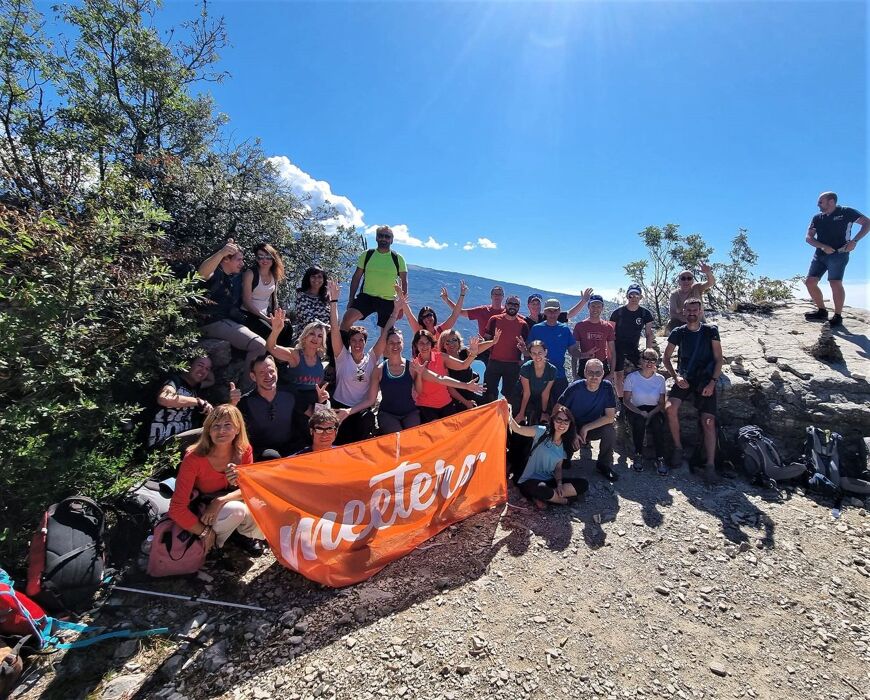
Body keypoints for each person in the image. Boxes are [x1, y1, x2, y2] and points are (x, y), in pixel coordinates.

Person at [167, 404, 265, 558]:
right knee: (235, 510)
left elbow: (250, 489)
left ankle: (245, 535)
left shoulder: (244, 450)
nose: (221, 431)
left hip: (222, 504)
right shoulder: (194, 458)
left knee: (263, 501)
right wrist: (204, 531)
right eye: (216, 426)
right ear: (208, 430)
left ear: (238, 429)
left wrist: (220, 500)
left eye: (228, 425)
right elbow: (176, 508)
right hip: (203, 511)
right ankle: (211, 545)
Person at [343, 328, 485, 434]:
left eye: (398, 342)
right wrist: (348, 411)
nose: (395, 346)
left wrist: (466, 385)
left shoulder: (413, 367)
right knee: (400, 437)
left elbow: (439, 379)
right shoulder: (379, 370)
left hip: (411, 412)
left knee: (417, 435)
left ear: (403, 344)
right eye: (391, 343)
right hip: (390, 414)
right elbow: (370, 400)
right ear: (386, 345)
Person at [327, 279, 396, 444]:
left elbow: (385, 332)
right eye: (354, 341)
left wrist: (397, 309)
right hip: (339, 405)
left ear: (365, 343)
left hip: (359, 409)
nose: (357, 344)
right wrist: (334, 302)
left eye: (361, 341)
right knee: (338, 442)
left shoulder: (372, 358)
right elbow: (335, 329)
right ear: (349, 343)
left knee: (362, 433)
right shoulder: (342, 357)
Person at [662, 298, 723, 482]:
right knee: (670, 408)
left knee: (709, 421)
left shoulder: (710, 331)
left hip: (705, 379)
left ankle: (710, 465)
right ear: (683, 312)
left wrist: (712, 382)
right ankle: (678, 448)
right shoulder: (678, 332)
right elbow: (666, 358)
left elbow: (719, 358)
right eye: (688, 310)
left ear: (700, 311)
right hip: (685, 377)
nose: (691, 313)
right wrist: (676, 377)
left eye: (695, 310)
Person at [197, 239, 267, 381]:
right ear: (225, 260)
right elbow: (202, 274)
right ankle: (249, 388)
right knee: (259, 345)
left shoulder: (231, 277)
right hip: (212, 321)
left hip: (224, 320)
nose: (242, 263)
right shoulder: (215, 273)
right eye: (239, 260)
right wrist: (221, 252)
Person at [803, 191, 869, 327]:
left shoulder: (846, 212)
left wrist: (854, 241)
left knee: (835, 282)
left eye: (820, 202)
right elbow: (808, 238)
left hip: (839, 253)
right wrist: (822, 247)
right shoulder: (817, 218)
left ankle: (838, 316)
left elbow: (867, 223)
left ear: (831, 201)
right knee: (810, 282)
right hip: (820, 254)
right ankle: (821, 311)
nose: (818, 205)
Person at [510, 407, 589, 508]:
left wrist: (559, 484)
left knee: (583, 484)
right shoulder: (542, 431)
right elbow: (517, 429)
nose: (562, 424)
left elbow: (558, 468)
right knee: (540, 488)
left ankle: (547, 497)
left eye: (566, 421)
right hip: (530, 479)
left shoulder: (565, 443)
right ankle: (563, 501)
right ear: (553, 420)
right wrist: (507, 414)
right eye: (559, 420)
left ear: (570, 424)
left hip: (549, 480)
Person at [556, 358, 619, 481]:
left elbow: (610, 417)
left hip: (591, 427)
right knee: (565, 462)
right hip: (571, 427)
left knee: (609, 430)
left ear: (603, 374)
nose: (594, 376)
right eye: (590, 372)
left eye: (598, 373)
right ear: (585, 373)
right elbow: (557, 410)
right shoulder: (575, 388)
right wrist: (572, 432)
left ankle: (604, 464)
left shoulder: (606, 388)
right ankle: (565, 456)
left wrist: (586, 428)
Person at [341, 226, 407, 330]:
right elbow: (356, 277)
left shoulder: (398, 259)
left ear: (392, 240)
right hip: (367, 297)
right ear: (376, 238)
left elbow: (404, 282)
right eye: (380, 236)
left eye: (387, 236)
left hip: (388, 300)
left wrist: (402, 306)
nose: (384, 239)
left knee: (386, 334)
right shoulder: (367, 255)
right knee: (347, 319)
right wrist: (351, 299)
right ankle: (342, 346)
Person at [522, 297, 584, 406]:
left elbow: (573, 350)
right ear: (544, 312)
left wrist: (584, 355)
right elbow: (529, 352)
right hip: (539, 376)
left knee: (561, 407)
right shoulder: (536, 329)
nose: (552, 313)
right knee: (537, 409)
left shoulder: (564, 329)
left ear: (559, 311)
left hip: (559, 375)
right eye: (549, 311)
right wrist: (524, 351)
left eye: (555, 310)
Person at [234, 354, 296, 459]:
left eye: (271, 371)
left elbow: (310, 414)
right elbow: (231, 425)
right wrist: (232, 404)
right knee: (271, 456)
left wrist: (322, 402)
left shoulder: (290, 394)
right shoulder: (245, 402)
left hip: (290, 447)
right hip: (262, 452)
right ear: (253, 376)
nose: (268, 376)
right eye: (262, 373)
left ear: (277, 371)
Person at [412, 328, 480, 423]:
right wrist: (466, 385)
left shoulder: (441, 357)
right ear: (416, 345)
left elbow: (463, 365)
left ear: (431, 344)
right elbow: (436, 381)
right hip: (426, 406)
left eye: (427, 342)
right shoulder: (414, 364)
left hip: (446, 403)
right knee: (437, 431)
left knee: (453, 431)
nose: (425, 346)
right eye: (421, 343)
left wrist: (473, 354)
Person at [147, 355, 213, 447]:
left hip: (179, 442)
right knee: (210, 433)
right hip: (162, 442)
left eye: (207, 369)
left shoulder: (196, 387)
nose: (203, 371)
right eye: (200, 365)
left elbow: (211, 380)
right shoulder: (174, 381)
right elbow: (163, 398)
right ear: (189, 365)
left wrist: (203, 366)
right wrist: (197, 401)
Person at [622, 348, 668, 475]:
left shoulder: (660, 379)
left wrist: (651, 414)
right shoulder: (632, 377)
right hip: (636, 409)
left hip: (653, 410)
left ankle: (660, 458)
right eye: (646, 358)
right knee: (639, 423)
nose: (649, 362)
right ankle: (638, 455)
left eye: (653, 359)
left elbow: (661, 403)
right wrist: (640, 412)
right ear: (640, 361)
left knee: (658, 425)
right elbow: (626, 401)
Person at [610, 284, 656, 401]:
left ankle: (646, 398)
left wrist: (648, 351)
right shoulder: (618, 313)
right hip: (618, 347)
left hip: (633, 348)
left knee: (647, 368)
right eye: (631, 295)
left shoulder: (645, 313)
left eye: (637, 295)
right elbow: (609, 334)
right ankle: (622, 401)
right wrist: (609, 352)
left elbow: (649, 333)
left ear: (641, 297)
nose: (634, 297)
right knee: (618, 375)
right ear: (627, 296)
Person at [483, 295, 529, 406]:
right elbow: (486, 340)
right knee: (489, 394)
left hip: (513, 365)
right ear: (506, 304)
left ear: (519, 307)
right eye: (510, 304)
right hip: (494, 362)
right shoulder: (494, 320)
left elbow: (526, 348)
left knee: (511, 396)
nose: (513, 306)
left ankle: (508, 421)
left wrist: (524, 354)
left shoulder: (523, 325)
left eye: (516, 304)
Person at [241, 243, 292, 344]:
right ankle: (269, 357)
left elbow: (273, 299)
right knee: (270, 332)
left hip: (265, 315)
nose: (264, 260)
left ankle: (282, 358)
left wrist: (278, 317)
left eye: (268, 257)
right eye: (260, 257)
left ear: (273, 258)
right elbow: (246, 302)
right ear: (256, 259)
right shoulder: (250, 274)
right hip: (248, 314)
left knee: (287, 328)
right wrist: (267, 319)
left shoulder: (274, 275)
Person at [442, 285, 504, 366]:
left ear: (503, 297)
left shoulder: (506, 313)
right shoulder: (482, 310)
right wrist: (447, 300)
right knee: (461, 355)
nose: (497, 296)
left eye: (499, 294)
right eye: (495, 294)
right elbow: (460, 312)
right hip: (481, 347)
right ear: (491, 296)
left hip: (497, 351)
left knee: (490, 375)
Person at [438, 329, 498, 412]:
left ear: (459, 342)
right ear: (443, 345)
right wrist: (465, 402)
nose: (451, 343)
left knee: (491, 403)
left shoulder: (463, 353)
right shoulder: (443, 361)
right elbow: (450, 388)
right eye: (447, 341)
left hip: (470, 394)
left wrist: (493, 342)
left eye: (454, 340)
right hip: (457, 400)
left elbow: (476, 350)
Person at [398, 280, 467, 344]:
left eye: (429, 315)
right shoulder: (419, 331)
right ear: (421, 320)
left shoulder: (441, 330)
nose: (427, 319)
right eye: (424, 317)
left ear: (433, 316)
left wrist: (462, 295)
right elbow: (409, 314)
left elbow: (455, 314)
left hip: (440, 357)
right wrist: (400, 295)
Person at [571, 294, 615, 381]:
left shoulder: (608, 327)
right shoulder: (580, 326)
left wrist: (611, 374)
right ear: (588, 307)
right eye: (593, 306)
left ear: (602, 308)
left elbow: (613, 352)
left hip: (602, 364)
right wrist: (574, 374)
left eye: (598, 306)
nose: (595, 309)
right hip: (584, 365)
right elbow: (574, 351)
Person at [515, 340, 556, 426]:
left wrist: (544, 412)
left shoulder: (552, 370)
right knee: (519, 418)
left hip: (540, 398)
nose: (537, 356)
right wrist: (521, 413)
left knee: (544, 419)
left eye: (540, 353)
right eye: (534, 353)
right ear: (530, 355)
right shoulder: (526, 368)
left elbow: (545, 393)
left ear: (545, 352)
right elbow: (526, 393)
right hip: (523, 396)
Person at [667, 262, 715, 331]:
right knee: (671, 323)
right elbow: (672, 313)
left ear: (692, 281)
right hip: (683, 323)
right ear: (679, 281)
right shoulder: (674, 294)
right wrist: (689, 319)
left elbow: (711, 283)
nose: (686, 281)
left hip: (700, 323)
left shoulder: (697, 288)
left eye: (689, 278)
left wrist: (708, 272)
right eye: (683, 278)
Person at [294, 265, 331, 337]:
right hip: (307, 336)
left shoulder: (326, 298)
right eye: (313, 276)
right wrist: (326, 327)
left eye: (319, 277)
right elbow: (308, 320)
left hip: (325, 336)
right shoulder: (301, 296)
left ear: (324, 280)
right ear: (308, 278)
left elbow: (334, 319)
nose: (316, 279)